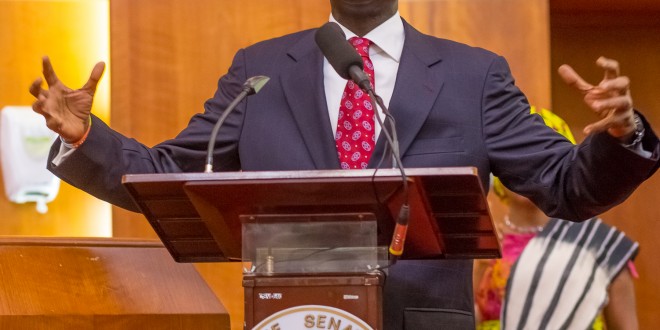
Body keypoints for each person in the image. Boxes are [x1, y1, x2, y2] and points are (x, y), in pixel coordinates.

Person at [29, 0, 659, 329]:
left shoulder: (473, 75)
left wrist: (620, 137)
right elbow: (168, 174)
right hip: (288, 318)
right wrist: (87, 136)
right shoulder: (261, 70)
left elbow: (567, 186)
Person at [474, 107, 639, 330]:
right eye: (518, 158)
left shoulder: (601, 246)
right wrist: (478, 267)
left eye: (542, 160)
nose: (528, 169)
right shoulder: (482, 246)